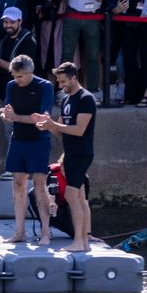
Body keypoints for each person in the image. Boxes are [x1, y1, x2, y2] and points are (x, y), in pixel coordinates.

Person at [33, 62, 96, 252]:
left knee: (71, 195)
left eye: (63, 81)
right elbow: (62, 131)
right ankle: (83, 241)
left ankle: (79, 241)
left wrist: (53, 124)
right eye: (59, 82)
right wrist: (47, 125)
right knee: (78, 196)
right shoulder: (66, 99)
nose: (60, 86)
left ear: (74, 78)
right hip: (69, 153)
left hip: (82, 153)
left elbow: (78, 130)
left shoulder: (86, 99)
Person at [0, 54, 55, 245]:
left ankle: (46, 232)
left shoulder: (45, 86)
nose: (17, 80)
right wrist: (6, 115)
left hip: (39, 140)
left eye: (20, 76)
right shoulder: (11, 86)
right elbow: (5, 110)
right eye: (15, 76)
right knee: (18, 184)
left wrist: (15, 117)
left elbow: (42, 117)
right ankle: (19, 231)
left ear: (30, 72)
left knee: (40, 185)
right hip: (18, 140)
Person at [62, 0, 116, 95]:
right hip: (72, 13)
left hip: (92, 16)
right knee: (67, 54)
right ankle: (66, 89)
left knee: (93, 55)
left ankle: (93, 90)